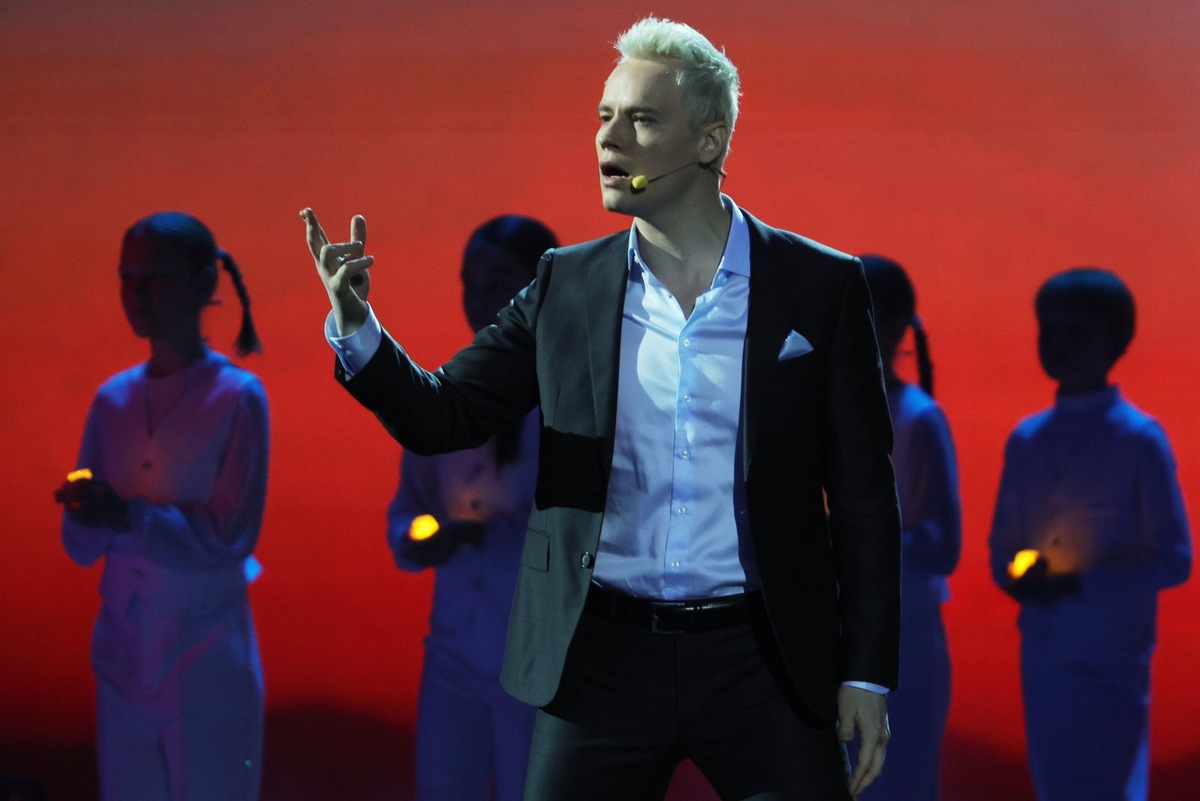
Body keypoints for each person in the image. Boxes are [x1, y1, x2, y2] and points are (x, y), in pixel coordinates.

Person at [303, 16, 900, 800]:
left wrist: (866, 672)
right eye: (604, 115)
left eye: (641, 119)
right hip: (602, 658)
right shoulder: (567, 284)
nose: (609, 138)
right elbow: (441, 415)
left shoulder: (819, 285)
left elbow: (862, 496)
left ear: (709, 141)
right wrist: (356, 328)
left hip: (765, 657)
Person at [55, 212, 269, 801]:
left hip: (207, 658)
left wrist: (126, 516)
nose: (137, 294)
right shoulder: (113, 400)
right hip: (124, 657)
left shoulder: (236, 398)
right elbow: (80, 547)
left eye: (155, 279)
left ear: (204, 284)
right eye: (127, 278)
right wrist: (86, 513)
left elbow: (230, 536)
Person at [989, 267, 1191, 801]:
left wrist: (1080, 584)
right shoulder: (1027, 439)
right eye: (1049, 330)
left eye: (1075, 332)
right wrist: (1020, 578)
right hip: (1042, 652)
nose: (1058, 344)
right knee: (1052, 781)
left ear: (1117, 339)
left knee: (1109, 783)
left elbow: (1174, 556)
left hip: (1111, 658)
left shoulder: (1140, 440)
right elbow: (1002, 545)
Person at [386, 216, 558, 801]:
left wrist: (499, 537)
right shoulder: (439, 396)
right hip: (454, 650)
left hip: (539, 661)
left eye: (498, 282)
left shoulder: (577, 400)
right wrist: (426, 538)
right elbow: (407, 513)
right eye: (471, 283)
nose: (481, 300)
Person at [859, 256, 961, 801]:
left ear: (896, 326)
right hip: (836, 638)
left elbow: (945, 546)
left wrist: (855, 537)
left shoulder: (919, 419)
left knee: (899, 780)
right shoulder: (821, 409)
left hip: (906, 640)